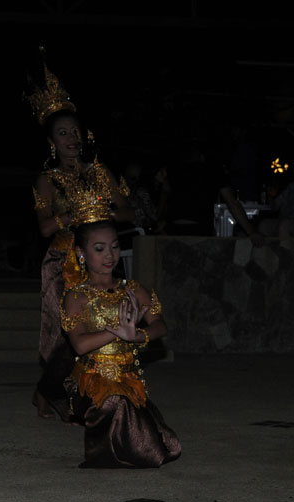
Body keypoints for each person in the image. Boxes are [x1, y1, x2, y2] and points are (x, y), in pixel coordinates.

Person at [26, 64, 132, 421]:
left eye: (74, 130)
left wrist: (100, 212)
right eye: (62, 132)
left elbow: (126, 212)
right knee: (65, 334)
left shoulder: (101, 173)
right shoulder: (47, 180)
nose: (70, 137)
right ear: (52, 142)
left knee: (102, 328)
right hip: (62, 262)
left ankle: (77, 392)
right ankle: (50, 390)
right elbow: (43, 229)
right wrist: (71, 216)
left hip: (100, 257)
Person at [60, 221, 181, 467]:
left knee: (169, 445)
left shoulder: (132, 289)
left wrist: (138, 336)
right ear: (82, 253)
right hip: (91, 382)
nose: (110, 255)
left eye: (114, 247)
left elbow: (160, 325)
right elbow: (79, 346)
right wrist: (117, 332)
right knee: (117, 403)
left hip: (129, 381)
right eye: (100, 248)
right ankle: (104, 451)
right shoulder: (76, 296)